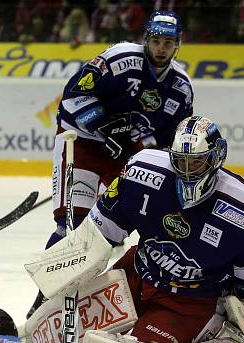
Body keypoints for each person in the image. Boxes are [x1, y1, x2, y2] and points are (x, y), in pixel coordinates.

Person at [32, 115, 244, 343]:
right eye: (181, 160)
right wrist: (57, 280)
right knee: (56, 334)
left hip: (190, 302)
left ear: (215, 157)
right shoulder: (142, 171)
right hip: (137, 275)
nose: (188, 170)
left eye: (196, 161)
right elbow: (96, 235)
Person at [30, 10, 194, 317]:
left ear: (177, 45)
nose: (161, 48)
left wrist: (142, 150)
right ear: (146, 39)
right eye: (156, 41)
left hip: (126, 156)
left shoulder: (181, 87)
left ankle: (119, 299)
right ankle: (44, 302)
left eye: (168, 43)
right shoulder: (119, 59)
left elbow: (170, 140)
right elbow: (73, 98)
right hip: (81, 142)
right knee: (72, 225)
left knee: (128, 228)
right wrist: (105, 127)